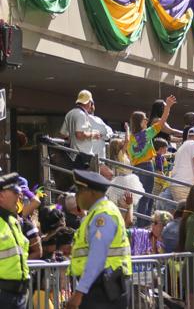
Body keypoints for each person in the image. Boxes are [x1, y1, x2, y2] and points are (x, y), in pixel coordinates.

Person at [66, 169, 131, 309]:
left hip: (103, 289)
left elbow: (97, 257)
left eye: (79, 191)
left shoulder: (102, 215)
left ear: (91, 193)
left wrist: (79, 293)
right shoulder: (97, 213)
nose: (76, 196)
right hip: (102, 286)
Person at [127, 95, 177, 223]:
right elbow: (161, 122)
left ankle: (141, 223)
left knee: (141, 198)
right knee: (147, 198)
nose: (147, 120)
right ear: (140, 122)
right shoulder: (145, 134)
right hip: (147, 168)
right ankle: (143, 226)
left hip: (135, 169)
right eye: (144, 119)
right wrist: (168, 107)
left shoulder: (131, 139)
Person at [0, 173, 30, 308]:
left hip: (19, 296)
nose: (19, 196)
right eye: (15, 192)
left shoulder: (13, 221)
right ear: (1, 195)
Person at [59, 90, 103, 170]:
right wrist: (93, 135)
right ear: (89, 102)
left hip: (73, 155)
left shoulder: (70, 113)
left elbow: (63, 134)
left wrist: (72, 139)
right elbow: (79, 134)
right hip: (83, 156)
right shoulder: (81, 115)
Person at [170, 127, 194, 202]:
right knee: (189, 212)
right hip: (185, 185)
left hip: (177, 184)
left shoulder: (182, 146)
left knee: (182, 211)